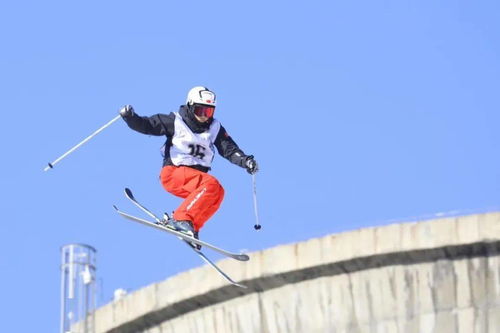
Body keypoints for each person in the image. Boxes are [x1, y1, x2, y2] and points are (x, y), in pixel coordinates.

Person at [119, 86, 258, 246]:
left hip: (194, 178)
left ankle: (191, 228)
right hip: (174, 173)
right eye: (200, 111)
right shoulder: (176, 121)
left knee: (218, 192)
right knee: (210, 184)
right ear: (191, 106)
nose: (204, 117)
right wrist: (130, 117)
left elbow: (229, 150)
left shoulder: (214, 129)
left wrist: (246, 161)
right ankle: (181, 218)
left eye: (209, 112)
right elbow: (147, 125)